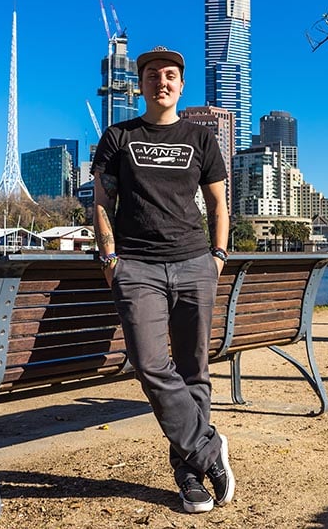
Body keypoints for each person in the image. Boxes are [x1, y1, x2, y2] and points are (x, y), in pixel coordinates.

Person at [91, 46, 235, 514]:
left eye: (170, 75)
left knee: (194, 369)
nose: (162, 81)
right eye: (153, 75)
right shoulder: (118, 136)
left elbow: (218, 206)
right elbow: (101, 202)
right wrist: (111, 256)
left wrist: (218, 255)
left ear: (181, 84)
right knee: (150, 363)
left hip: (195, 262)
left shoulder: (201, 138)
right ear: (141, 83)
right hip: (138, 267)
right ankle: (210, 450)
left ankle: (189, 472)